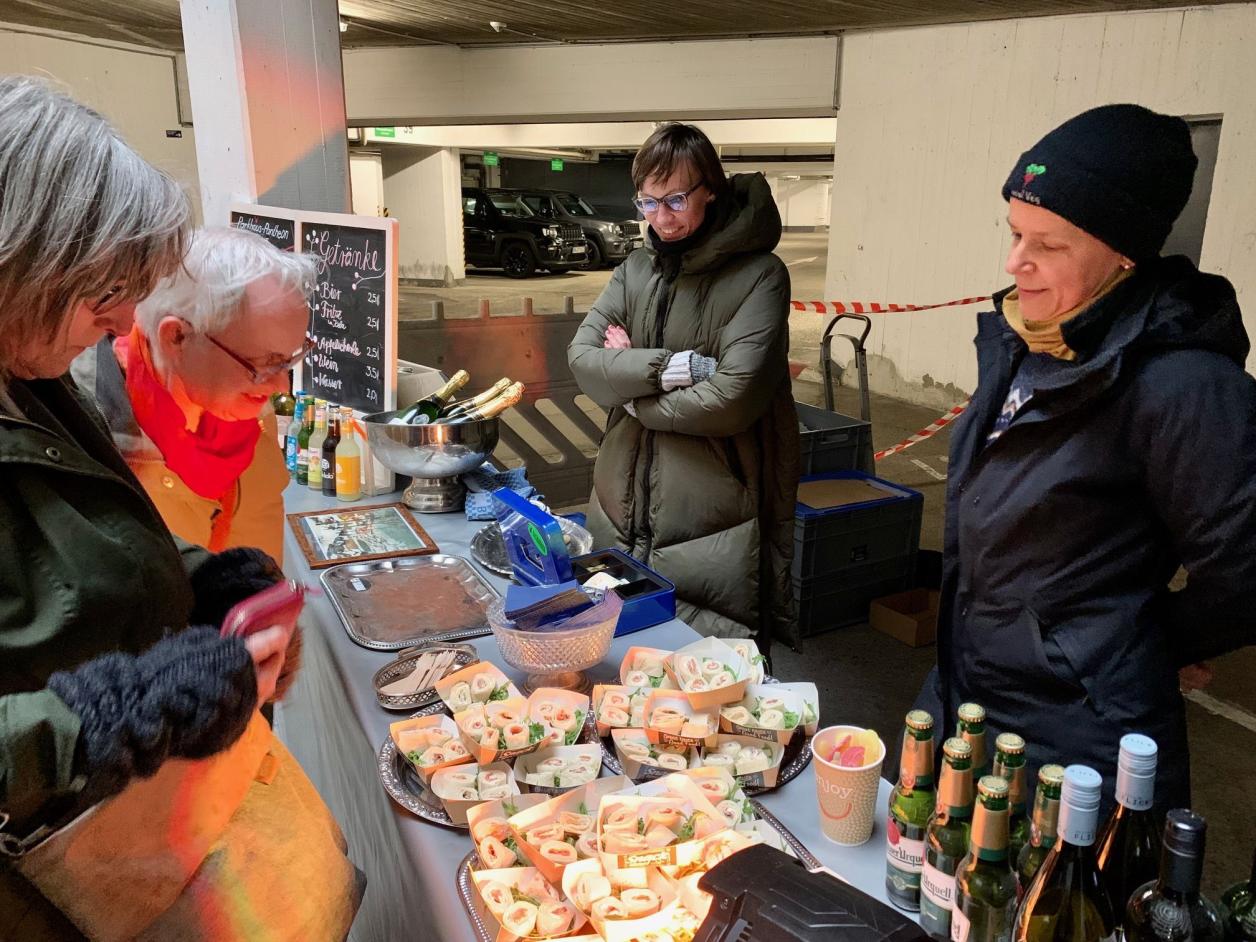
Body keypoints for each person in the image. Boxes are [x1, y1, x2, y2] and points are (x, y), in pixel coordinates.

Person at [0, 77, 359, 941]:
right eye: (101, 292)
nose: (126, 315)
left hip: (157, 830)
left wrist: (204, 579)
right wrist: (109, 713)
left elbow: (87, 547)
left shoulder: (32, 375)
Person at [915, 104, 1256, 813]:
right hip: (969, 689)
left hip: (1078, 734)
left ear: (1123, 255)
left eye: (1051, 243)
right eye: (1013, 234)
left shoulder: (1183, 383)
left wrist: (1142, 642)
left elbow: (1248, 566)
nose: (1016, 262)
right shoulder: (1031, 336)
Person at [568, 123, 799, 643]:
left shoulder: (761, 275)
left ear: (710, 190)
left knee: (707, 669)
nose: (662, 218)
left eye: (675, 200)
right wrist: (675, 370)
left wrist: (631, 395)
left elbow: (730, 398)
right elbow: (582, 360)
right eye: (647, 204)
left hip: (713, 507)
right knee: (617, 657)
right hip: (618, 499)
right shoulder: (633, 270)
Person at [72, 227, 313, 562]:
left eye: (288, 360)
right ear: (177, 337)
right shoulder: (83, 432)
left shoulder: (245, 406)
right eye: (262, 364)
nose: (280, 388)